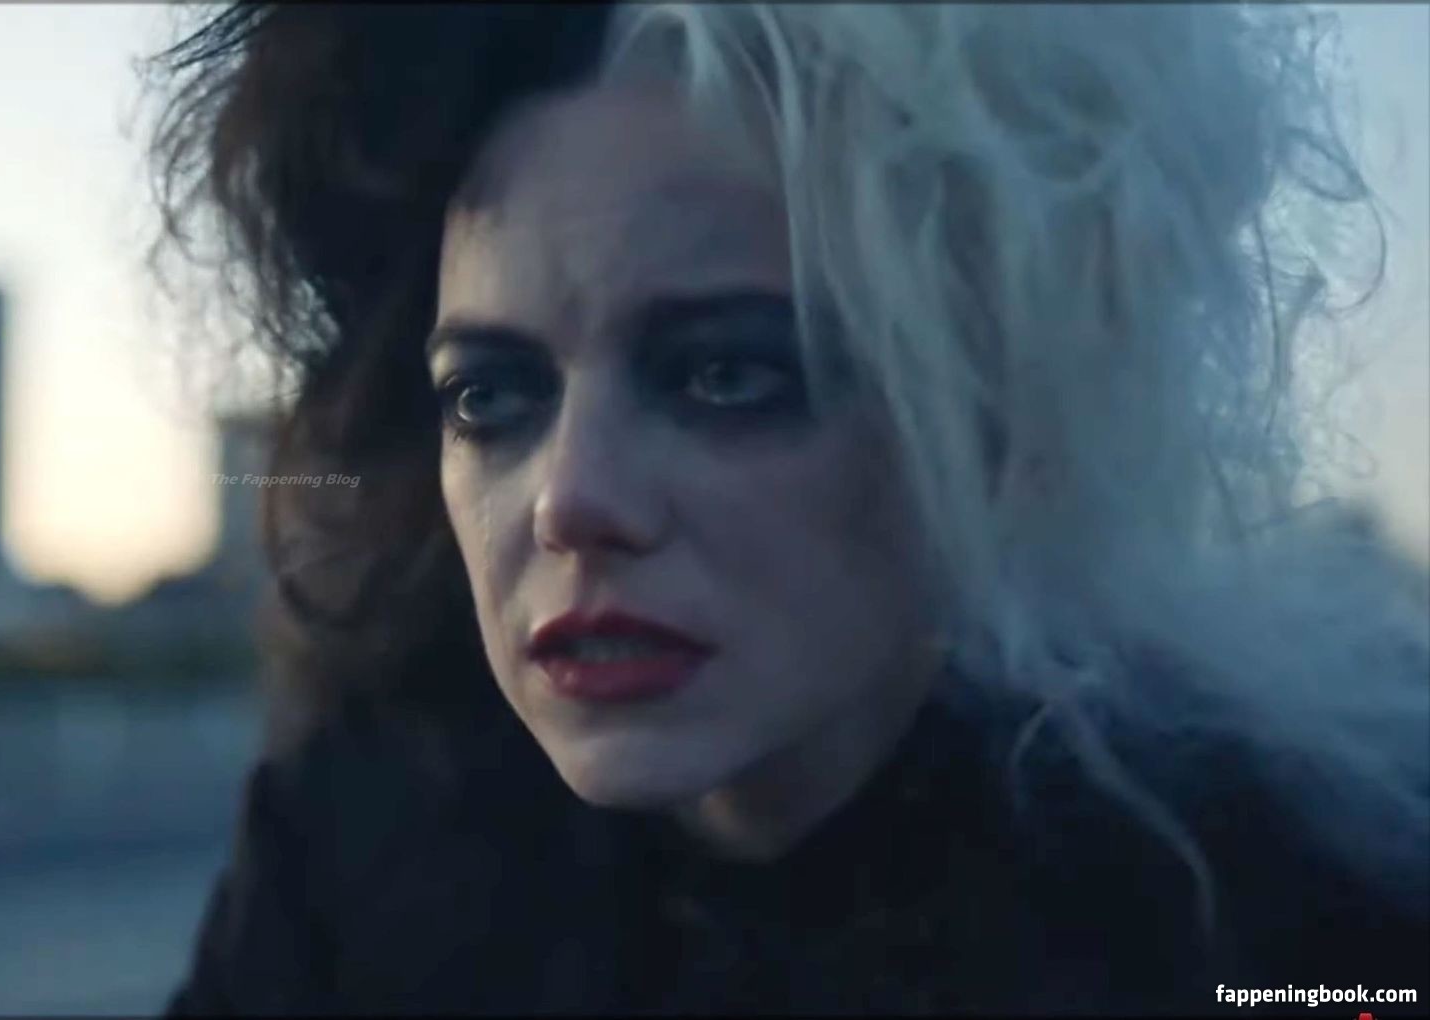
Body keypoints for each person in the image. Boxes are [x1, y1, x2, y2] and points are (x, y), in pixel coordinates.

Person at [145, 3, 1430, 1014]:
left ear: (996, 416)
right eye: (490, 396)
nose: (572, 500)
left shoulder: (1288, 909)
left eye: (725, 374)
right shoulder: (353, 851)